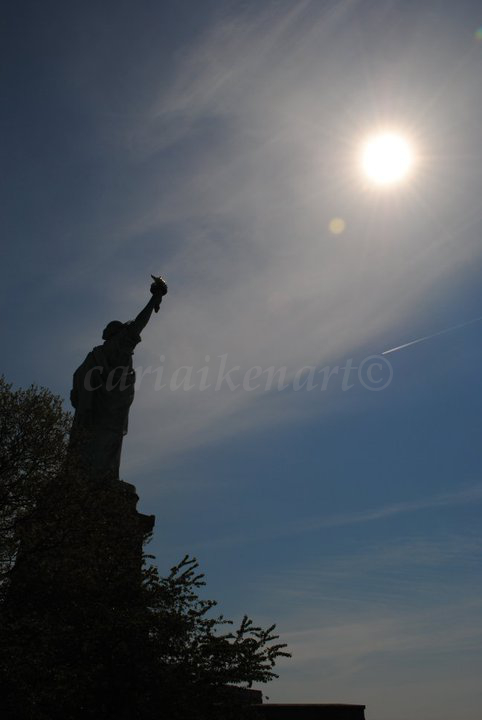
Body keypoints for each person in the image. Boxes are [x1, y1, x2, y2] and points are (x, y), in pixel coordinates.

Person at [69, 277, 167, 479]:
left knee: (104, 442)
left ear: (114, 332)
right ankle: (80, 478)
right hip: (88, 407)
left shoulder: (121, 343)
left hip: (107, 407)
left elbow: (139, 322)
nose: (104, 330)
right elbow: (80, 375)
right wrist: (77, 391)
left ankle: (101, 479)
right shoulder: (97, 352)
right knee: (84, 445)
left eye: (108, 327)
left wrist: (154, 298)